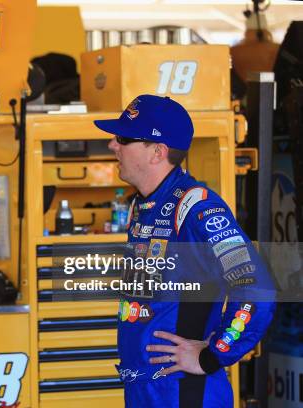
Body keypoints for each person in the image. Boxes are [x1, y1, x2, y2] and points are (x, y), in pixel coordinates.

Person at [93, 94, 275, 407]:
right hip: (144, 390)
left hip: (184, 392)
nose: (113, 145)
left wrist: (213, 354)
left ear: (157, 152)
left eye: (123, 138)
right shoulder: (143, 205)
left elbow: (256, 288)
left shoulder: (196, 207)